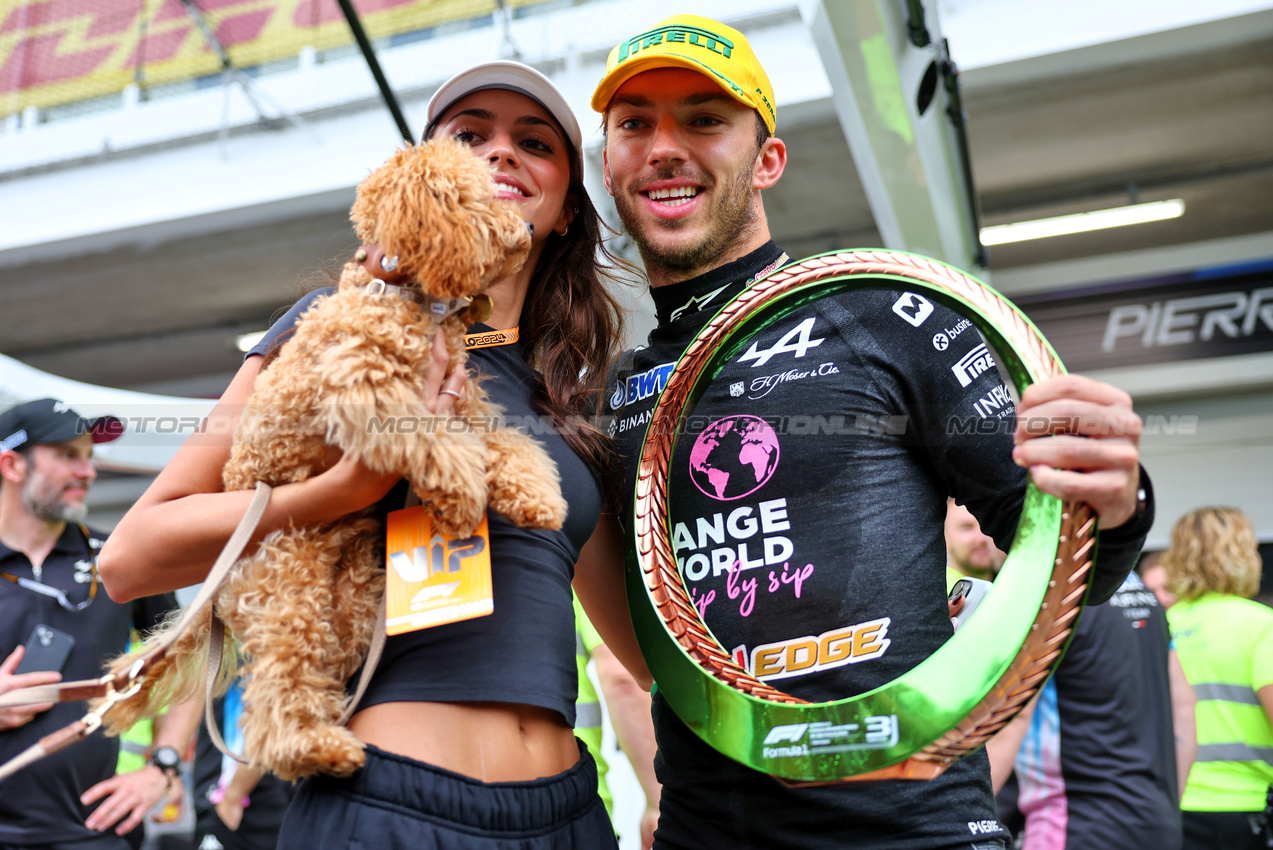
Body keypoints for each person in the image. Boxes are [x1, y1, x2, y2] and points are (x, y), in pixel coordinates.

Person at [586, 15, 1155, 849]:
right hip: (708, 831)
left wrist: (1114, 498)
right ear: (608, 161)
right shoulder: (613, 395)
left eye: (704, 119)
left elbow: (1065, 562)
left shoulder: (882, 313)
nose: (663, 146)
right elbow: (645, 663)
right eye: (633, 124)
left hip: (915, 830)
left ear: (766, 159)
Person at [97, 61, 650, 849]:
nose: (500, 155)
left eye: (533, 142)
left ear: (565, 208)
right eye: (469, 136)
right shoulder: (335, 328)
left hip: (570, 817)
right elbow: (128, 558)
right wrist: (343, 488)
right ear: (419, 176)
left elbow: (636, 659)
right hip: (387, 807)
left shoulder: (571, 403)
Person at [0, 398, 184, 849]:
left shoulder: (119, 557)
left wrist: (163, 764)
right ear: (11, 464)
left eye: (89, 455)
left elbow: (190, 655)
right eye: (67, 455)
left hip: (95, 831)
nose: (88, 471)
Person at [981, 543, 1195, 849]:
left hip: (1076, 825)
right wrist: (1167, 804)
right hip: (1157, 822)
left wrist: (960, 817)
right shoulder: (1141, 592)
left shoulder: (1044, 592)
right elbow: (1184, 708)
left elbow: (1012, 717)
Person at [1160, 507, 1273, 850]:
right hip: (1245, 808)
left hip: (1172, 804)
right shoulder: (1260, 624)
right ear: (1242, 554)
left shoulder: (1160, 625)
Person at [573, 594, 661, 849]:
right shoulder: (564, 557)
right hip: (574, 805)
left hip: (462, 802)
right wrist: (660, 804)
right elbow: (622, 675)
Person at [945, 500, 1006, 591]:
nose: (982, 539)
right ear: (944, 538)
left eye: (988, 526)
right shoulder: (937, 594)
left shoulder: (1010, 587)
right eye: (967, 528)